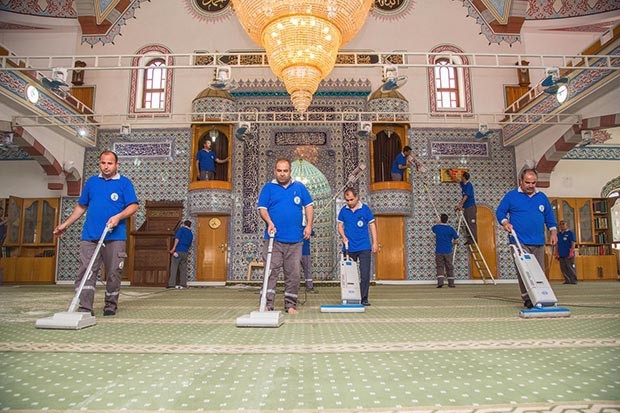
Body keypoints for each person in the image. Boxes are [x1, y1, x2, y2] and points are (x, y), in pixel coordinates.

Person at [53, 150, 139, 316]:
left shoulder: (124, 183)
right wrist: (65, 225)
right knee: (86, 270)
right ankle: (85, 307)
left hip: (115, 236)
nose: (106, 166)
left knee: (114, 271)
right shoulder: (92, 182)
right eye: (103, 163)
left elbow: (133, 206)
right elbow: (81, 206)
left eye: (110, 163)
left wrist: (118, 216)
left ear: (117, 165)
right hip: (90, 235)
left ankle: (110, 305)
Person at [258, 158, 314, 314]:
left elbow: (309, 206)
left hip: (296, 241)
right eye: (279, 171)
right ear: (275, 171)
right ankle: (267, 304)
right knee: (270, 272)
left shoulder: (299, 187)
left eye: (285, 171)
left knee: (293, 274)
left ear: (290, 171)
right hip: (274, 239)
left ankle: (290, 305)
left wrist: (309, 225)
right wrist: (269, 222)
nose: (282, 174)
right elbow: (262, 209)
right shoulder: (268, 188)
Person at [496, 167, 557, 309]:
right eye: (528, 182)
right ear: (521, 181)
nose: (531, 185)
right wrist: (505, 223)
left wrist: (553, 232)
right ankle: (527, 297)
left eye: (533, 183)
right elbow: (500, 212)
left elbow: (549, 217)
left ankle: (541, 295)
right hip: (519, 241)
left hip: (538, 241)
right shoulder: (511, 196)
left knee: (538, 270)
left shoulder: (542, 197)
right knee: (525, 271)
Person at [337, 187, 377, 306]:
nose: (349, 202)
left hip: (364, 246)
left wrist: (375, 242)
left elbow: (372, 226)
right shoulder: (343, 210)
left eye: (351, 199)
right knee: (349, 274)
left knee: (365, 274)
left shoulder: (365, 209)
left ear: (357, 197)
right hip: (349, 247)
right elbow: (340, 226)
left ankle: (364, 298)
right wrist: (343, 236)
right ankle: (351, 296)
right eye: (347, 200)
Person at [432, 213, 459, 288]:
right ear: (447, 220)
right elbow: (456, 238)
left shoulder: (437, 228)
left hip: (439, 251)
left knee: (440, 266)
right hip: (448, 250)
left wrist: (438, 223)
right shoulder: (450, 229)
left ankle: (440, 282)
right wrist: (454, 243)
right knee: (449, 267)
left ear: (440, 219)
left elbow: (433, 228)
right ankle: (451, 283)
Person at [167, 220, 193, 289]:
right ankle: (183, 283)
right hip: (185, 252)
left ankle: (171, 284)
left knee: (174, 267)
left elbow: (177, 239)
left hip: (178, 251)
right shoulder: (191, 233)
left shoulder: (181, 229)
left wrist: (173, 248)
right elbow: (190, 244)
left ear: (184, 224)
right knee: (183, 269)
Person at [454, 171, 477, 244]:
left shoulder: (468, 185)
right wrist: (451, 174)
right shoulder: (463, 184)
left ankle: (474, 239)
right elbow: (457, 180)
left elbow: (466, 196)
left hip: (470, 206)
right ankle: (469, 239)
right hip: (466, 207)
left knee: (471, 222)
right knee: (466, 222)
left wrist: (460, 205)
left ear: (464, 177)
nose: (461, 177)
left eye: (462, 176)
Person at [556, 220, 578, 285]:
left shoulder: (570, 233)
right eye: (560, 224)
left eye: (563, 224)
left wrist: (572, 251)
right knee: (563, 268)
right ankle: (567, 280)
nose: (562, 226)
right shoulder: (559, 234)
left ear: (566, 225)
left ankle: (573, 280)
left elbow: (573, 242)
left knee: (570, 267)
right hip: (561, 253)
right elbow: (557, 244)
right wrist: (556, 252)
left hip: (568, 253)